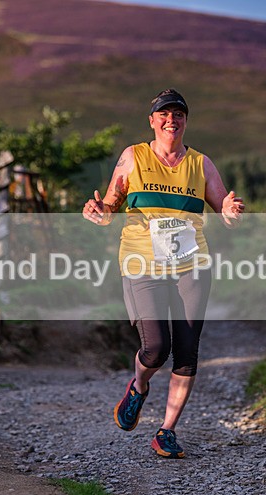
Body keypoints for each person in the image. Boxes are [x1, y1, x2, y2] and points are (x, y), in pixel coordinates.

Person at [82, 88, 244, 459]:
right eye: (164, 114)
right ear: (152, 121)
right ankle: (138, 387)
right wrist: (98, 210)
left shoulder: (201, 164)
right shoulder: (133, 157)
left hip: (192, 264)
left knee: (187, 352)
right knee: (156, 348)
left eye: (179, 114)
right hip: (143, 263)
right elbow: (110, 204)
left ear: (186, 121)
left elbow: (225, 210)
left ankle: (166, 431)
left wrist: (232, 211)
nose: (172, 120)